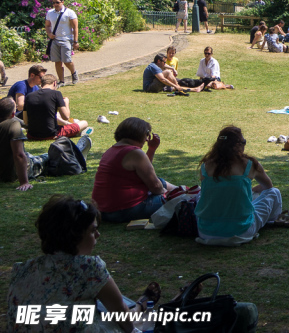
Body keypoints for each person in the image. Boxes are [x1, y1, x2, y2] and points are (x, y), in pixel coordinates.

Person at [6, 196, 162, 333]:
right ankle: (141, 306)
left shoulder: (23, 269)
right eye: (93, 231)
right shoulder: (89, 267)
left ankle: (140, 306)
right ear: (76, 234)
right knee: (137, 320)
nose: (98, 235)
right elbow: (122, 315)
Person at [196, 126, 289, 245]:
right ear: (237, 145)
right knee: (274, 192)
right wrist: (251, 190)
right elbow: (268, 186)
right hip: (241, 231)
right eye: (243, 142)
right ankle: (271, 221)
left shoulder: (206, 166)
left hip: (206, 232)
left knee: (200, 193)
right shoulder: (249, 164)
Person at [92, 117, 177, 222]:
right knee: (178, 199)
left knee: (161, 181)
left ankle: (186, 191)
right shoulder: (134, 152)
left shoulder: (112, 150)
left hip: (102, 210)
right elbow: (155, 187)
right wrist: (168, 195)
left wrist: (151, 150)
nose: (147, 139)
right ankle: (189, 193)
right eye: (147, 133)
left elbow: (145, 173)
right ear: (138, 132)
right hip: (121, 211)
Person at [24, 74, 87, 140]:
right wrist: (66, 103)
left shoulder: (29, 96)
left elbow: (26, 121)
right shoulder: (56, 93)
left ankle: (71, 127)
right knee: (84, 123)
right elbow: (66, 117)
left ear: (41, 84)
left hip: (32, 135)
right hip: (52, 134)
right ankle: (75, 129)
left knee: (57, 115)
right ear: (54, 83)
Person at [0, 97, 44, 191]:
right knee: (48, 157)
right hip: (11, 173)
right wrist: (24, 182)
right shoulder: (12, 125)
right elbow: (19, 155)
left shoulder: (8, 123)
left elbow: (26, 124)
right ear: (12, 113)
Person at [45, 0, 79, 86]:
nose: (55, 4)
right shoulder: (50, 13)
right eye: (53, 2)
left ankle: (74, 73)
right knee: (57, 61)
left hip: (66, 40)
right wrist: (49, 34)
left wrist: (75, 41)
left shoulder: (69, 12)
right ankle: (61, 81)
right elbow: (47, 25)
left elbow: (75, 27)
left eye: (57, 2)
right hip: (55, 40)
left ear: (62, 2)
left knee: (67, 61)